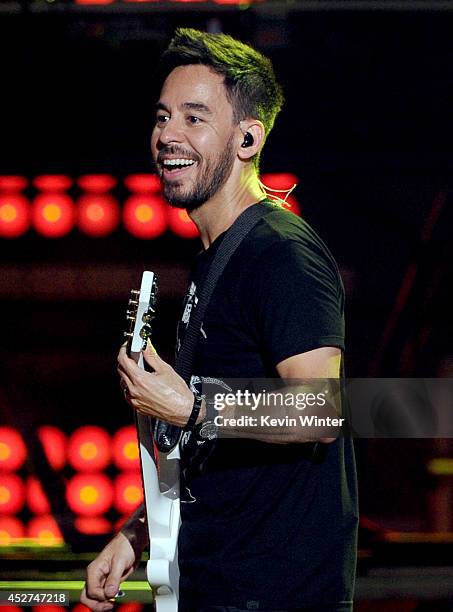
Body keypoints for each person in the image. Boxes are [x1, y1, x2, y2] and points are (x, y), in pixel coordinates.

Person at [81, 28, 358, 612]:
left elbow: (321, 409)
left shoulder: (281, 253)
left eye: (194, 118)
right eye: (162, 117)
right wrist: (136, 536)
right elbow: (218, 458)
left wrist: (192, 406)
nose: (167, 136)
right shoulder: (218, 261)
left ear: (248, 138)